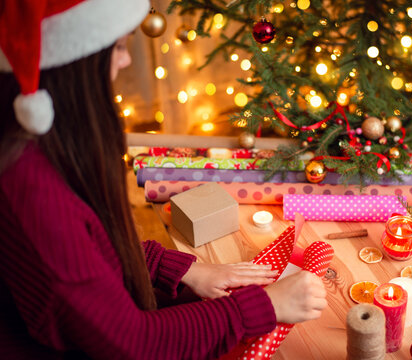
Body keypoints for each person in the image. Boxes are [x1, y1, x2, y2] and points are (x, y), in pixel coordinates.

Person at [0, 0, 327, 358]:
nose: (125, 60)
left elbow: (92, 255)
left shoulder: (45, 145)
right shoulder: (33, 195)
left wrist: (176, 268)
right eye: (120, 47)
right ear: (74, 63)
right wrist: (265, 305)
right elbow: (135, 344)